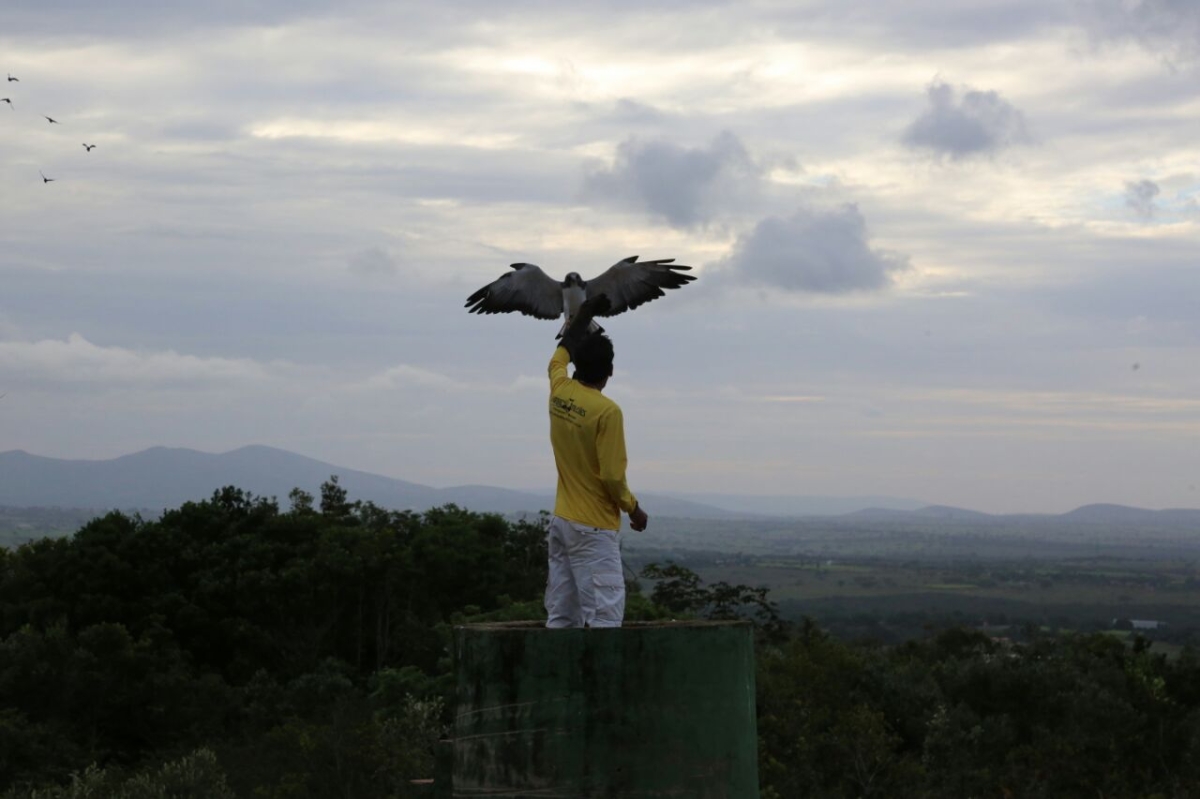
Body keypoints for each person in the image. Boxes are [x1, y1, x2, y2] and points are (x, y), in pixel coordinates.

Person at [544, 294, 649, 629]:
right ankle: (601, 682)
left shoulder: (559, 389)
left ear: (577, 365)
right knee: (604, 618)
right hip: (593, 529)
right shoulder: (607, 411)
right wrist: (634, 509)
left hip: (562, 521)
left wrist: (584, 314)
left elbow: (559, 356)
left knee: (563, 614)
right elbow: (612, 477)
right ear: (611, 371)